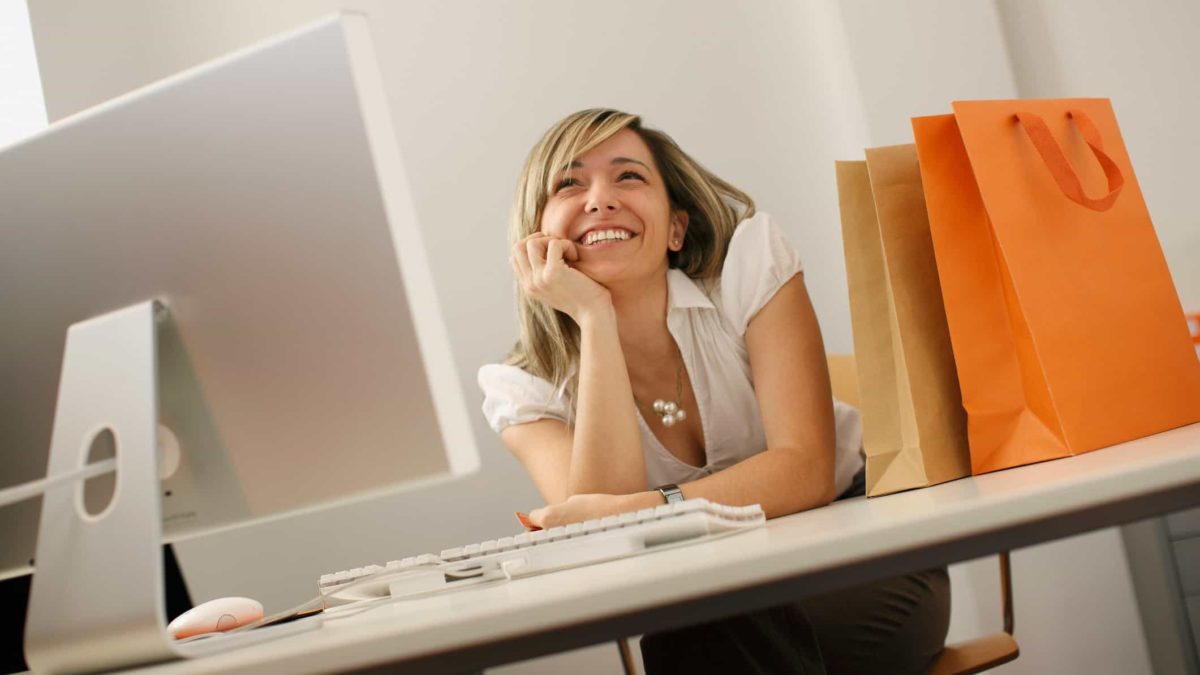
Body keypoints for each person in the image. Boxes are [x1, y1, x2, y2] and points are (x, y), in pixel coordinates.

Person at [478, 108, 949, 674]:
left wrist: (649, 510)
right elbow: (602, 539)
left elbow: (805, 471)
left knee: (710, 640)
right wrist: (594, 316)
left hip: (857, 547)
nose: (599, 199)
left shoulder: (749, 274)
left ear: (676, 227)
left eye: (628, 176)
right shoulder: (523, 389)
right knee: (707, 633)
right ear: (535, 240)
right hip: (710, 601)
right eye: (569, 183)